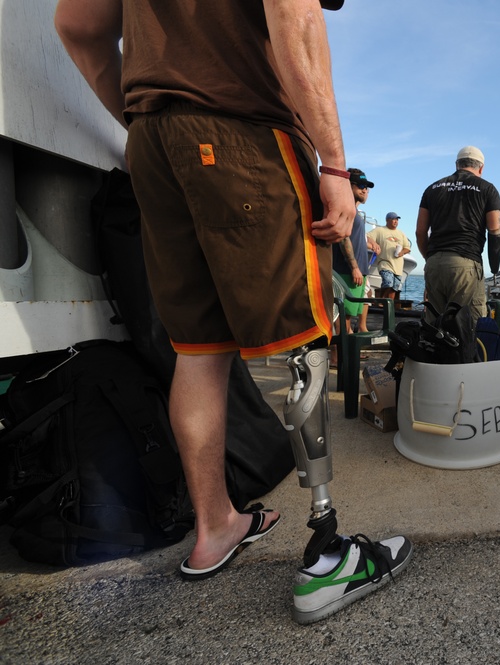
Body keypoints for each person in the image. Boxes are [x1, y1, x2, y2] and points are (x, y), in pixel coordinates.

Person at [54, 0, 411, 625]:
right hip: (242, 129)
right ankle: (328, 551)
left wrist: (145, 116)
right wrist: (332, 163)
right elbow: (293, 15)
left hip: (153, 143)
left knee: (198, 349)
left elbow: (77, 26)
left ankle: (215, 526)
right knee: (304, 339)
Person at [415, 145, 500, 322]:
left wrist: (430, 258)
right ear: (481, 168)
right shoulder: (487, 189)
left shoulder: (432, 188)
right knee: (470, 326)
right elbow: (495, 229)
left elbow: (420, 231)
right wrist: (494, 268)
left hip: (434, 264)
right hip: (465, 263)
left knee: (436, 326)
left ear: (457, 164)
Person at [333, 168, 380, 335]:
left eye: (366, 186)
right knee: (343, 314)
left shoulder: (354, 211)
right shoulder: (344, 208)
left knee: (350, 315)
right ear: (348, 185)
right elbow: (343, 238)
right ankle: (339, 356)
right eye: (360, 185)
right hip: (346, 271)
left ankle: (347, 352)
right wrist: (354, 267)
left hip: (359, 270)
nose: (365, 189)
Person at [368, 212, 411, 301]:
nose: (396, 221)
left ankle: (388, 304)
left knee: (394, 287)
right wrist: (374, 243)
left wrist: (401, 252)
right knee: (388, 282)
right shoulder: (380, 230)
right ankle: (381, 299)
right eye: (393, 219)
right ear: (387, 220)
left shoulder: (401, 233)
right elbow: (367, 237)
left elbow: (407, 248)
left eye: (397, 219)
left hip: (398, 266)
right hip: (385, 262)